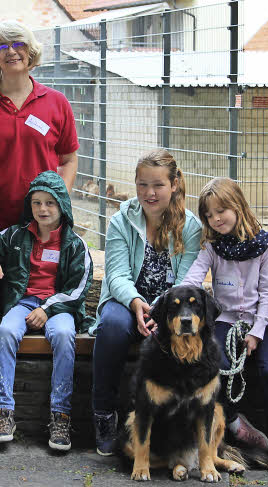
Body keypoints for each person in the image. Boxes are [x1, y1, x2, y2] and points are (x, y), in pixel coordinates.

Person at [0, 20, 80, 325]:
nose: (11, 52)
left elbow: (68, 160)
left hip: (36, 226)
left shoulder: (56, 103)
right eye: (2, 46)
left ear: (31, 52)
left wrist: (59, 201)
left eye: (18, 44)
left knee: (27, 306)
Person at [0, 170, 93, 451]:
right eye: (36, 203)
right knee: (6, 331)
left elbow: (77, 289)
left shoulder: (75, 245)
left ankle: (61, 415)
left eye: (49, 202)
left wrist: (47, 309)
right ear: (29, 206)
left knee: (63, 336)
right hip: (22, 303)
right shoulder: (15, 236)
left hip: (59, 308)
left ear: (62, 205)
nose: (42, 209)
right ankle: (3, 413)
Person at [90, 149, 202, 456]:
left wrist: (158, 310)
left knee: (173, 336)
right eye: (142, 185)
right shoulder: (121, 220)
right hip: (125, 301)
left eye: (157, 185)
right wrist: (137, 302)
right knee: (112, 326)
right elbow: (115, 274)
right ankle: (104, 414)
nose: (149, 193)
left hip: (169, 308)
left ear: (174, 184)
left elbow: (185, 283)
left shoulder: (190, 227)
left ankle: (170, 427)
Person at [180, 177, 268, 472]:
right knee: (216, 364)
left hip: (260, 321)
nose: (215, 219)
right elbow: (192, 279)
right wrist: (170, 303)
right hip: (226, 320)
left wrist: (256, 332)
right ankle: (231, 422)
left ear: (238, 206)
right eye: (209, 214)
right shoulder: (212, 247)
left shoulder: (264, 245)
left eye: (221, 211)